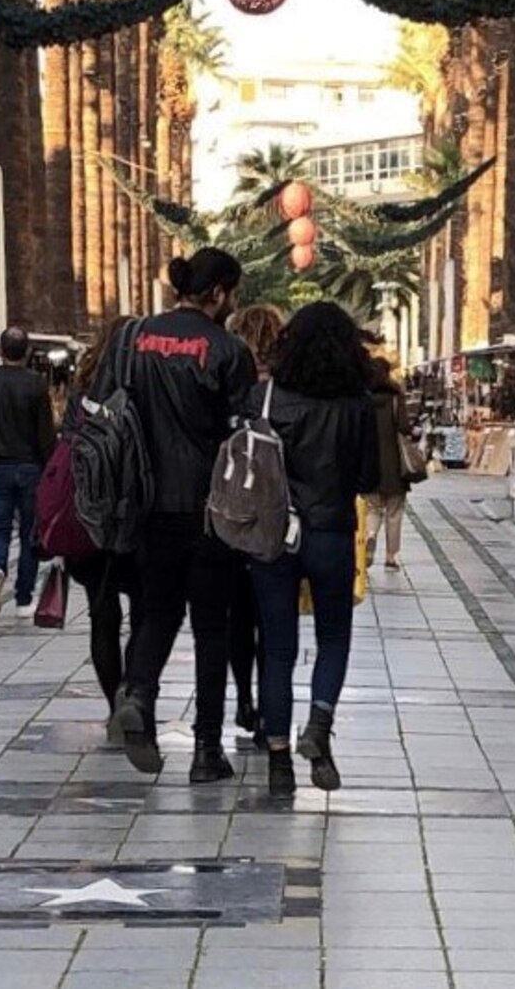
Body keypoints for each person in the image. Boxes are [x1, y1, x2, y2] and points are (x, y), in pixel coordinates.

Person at [107, 249, 257, 782]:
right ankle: (205, 751)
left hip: (146, 503)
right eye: (233, 292)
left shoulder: (133, 339)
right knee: (212, 629)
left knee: (158, 610)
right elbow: (245, 437)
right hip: (209, 508)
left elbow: (107, 409)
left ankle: (140, 694)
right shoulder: (227, 349)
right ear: (218, 291)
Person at [246, 301, 379, 796]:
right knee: (334, 638)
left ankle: (278, 761)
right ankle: (319, 723)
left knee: (277, 649)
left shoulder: (266, 397)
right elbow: (368, 478)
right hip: (331, 533)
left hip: (275, 536)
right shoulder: (358, 404)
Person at [61, 319, 141, 724]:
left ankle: (115, 707)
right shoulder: (143, 390)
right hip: (138, 517)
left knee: (102, 614)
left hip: (90, 518)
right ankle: (137, 697)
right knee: (147, 613)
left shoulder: (82, 394)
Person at [224, 304, 286, 744]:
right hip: (274, 518)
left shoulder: (231, 389)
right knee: (270, 617)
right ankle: (267, 707)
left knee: (237, 615)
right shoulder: (285, 393)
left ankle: (244, 695)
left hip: (233, 514)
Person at [0, 326, 58, 618]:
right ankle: (23, 598)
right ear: (27, 351)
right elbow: (45, 432)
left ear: (0, 351)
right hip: (30, 466)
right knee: (31, 532)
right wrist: (49, 465)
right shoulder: (36, 384)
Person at [366, 352, 410, 571]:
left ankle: (370, 536)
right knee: (394, 512)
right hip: (394, 466)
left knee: (372, 509)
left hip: (370, 465)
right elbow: (404, 427)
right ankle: (391, 557)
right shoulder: (395, 397)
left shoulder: (363, 397)